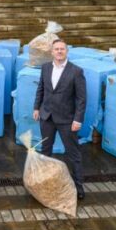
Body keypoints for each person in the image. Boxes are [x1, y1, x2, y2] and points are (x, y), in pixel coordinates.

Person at [33, 39, 87, 200]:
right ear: (52, 52)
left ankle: (79, 187)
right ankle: (45, 183)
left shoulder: (76, 71)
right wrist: (36, 108)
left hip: (67, 119)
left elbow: (81, 99)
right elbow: (41, 89)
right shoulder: (46, 68)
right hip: (47, 116)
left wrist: (78, 119)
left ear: (66, 51)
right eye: (56, 49)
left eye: (62, 49)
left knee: (73, 154)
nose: (59, 51)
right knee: (45, 152)